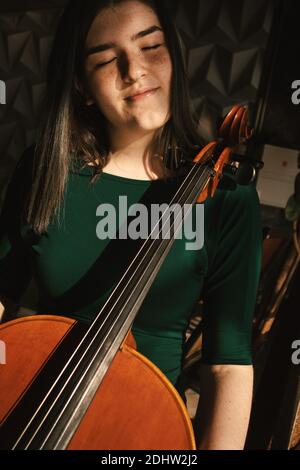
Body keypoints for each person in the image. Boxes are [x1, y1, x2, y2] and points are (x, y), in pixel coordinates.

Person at [0, 0, 262, 449]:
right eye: (106, 59)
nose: (134, 70)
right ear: (82, 85)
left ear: (173, 57)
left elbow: (227, 364)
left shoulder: (227, 198)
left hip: (142, 430)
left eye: (151, 46)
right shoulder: (46, 170)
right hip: (29, 402)